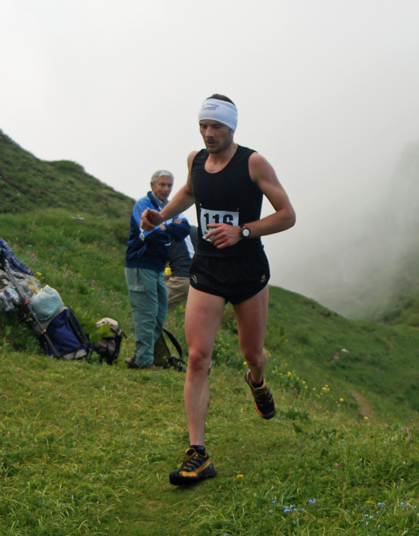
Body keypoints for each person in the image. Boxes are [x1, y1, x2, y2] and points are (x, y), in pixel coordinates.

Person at [140, 94, 296, 486]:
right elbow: (190, 192)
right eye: (203, 126)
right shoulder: (195, 160)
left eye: (216, 127)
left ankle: (256, 381)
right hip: (207, 270)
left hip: (247, 271)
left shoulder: (253, 163)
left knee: (252, 354)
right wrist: (161, 216)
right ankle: (198, 453)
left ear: (231, 127)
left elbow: (287, 215)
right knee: (197, 358)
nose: (209, 134)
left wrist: (243, 231)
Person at [125, 171, 191, 369]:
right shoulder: (143, 205)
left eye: (169, 185)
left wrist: (162, 227)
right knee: (147, 313)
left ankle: (140, 356)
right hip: (141, 264)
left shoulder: (170, 208)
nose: (166, 189)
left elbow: (184, 230)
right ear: (152, 185)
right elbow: (148, 233)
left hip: (158, 267)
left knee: (160, 313)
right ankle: (144, 361)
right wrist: (168, 228)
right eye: (162, 185)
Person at [166, 226, 198, 314]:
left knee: (149, 309)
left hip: (182, 279)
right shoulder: (194, 230)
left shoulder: (168, 231)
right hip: (200, 280)